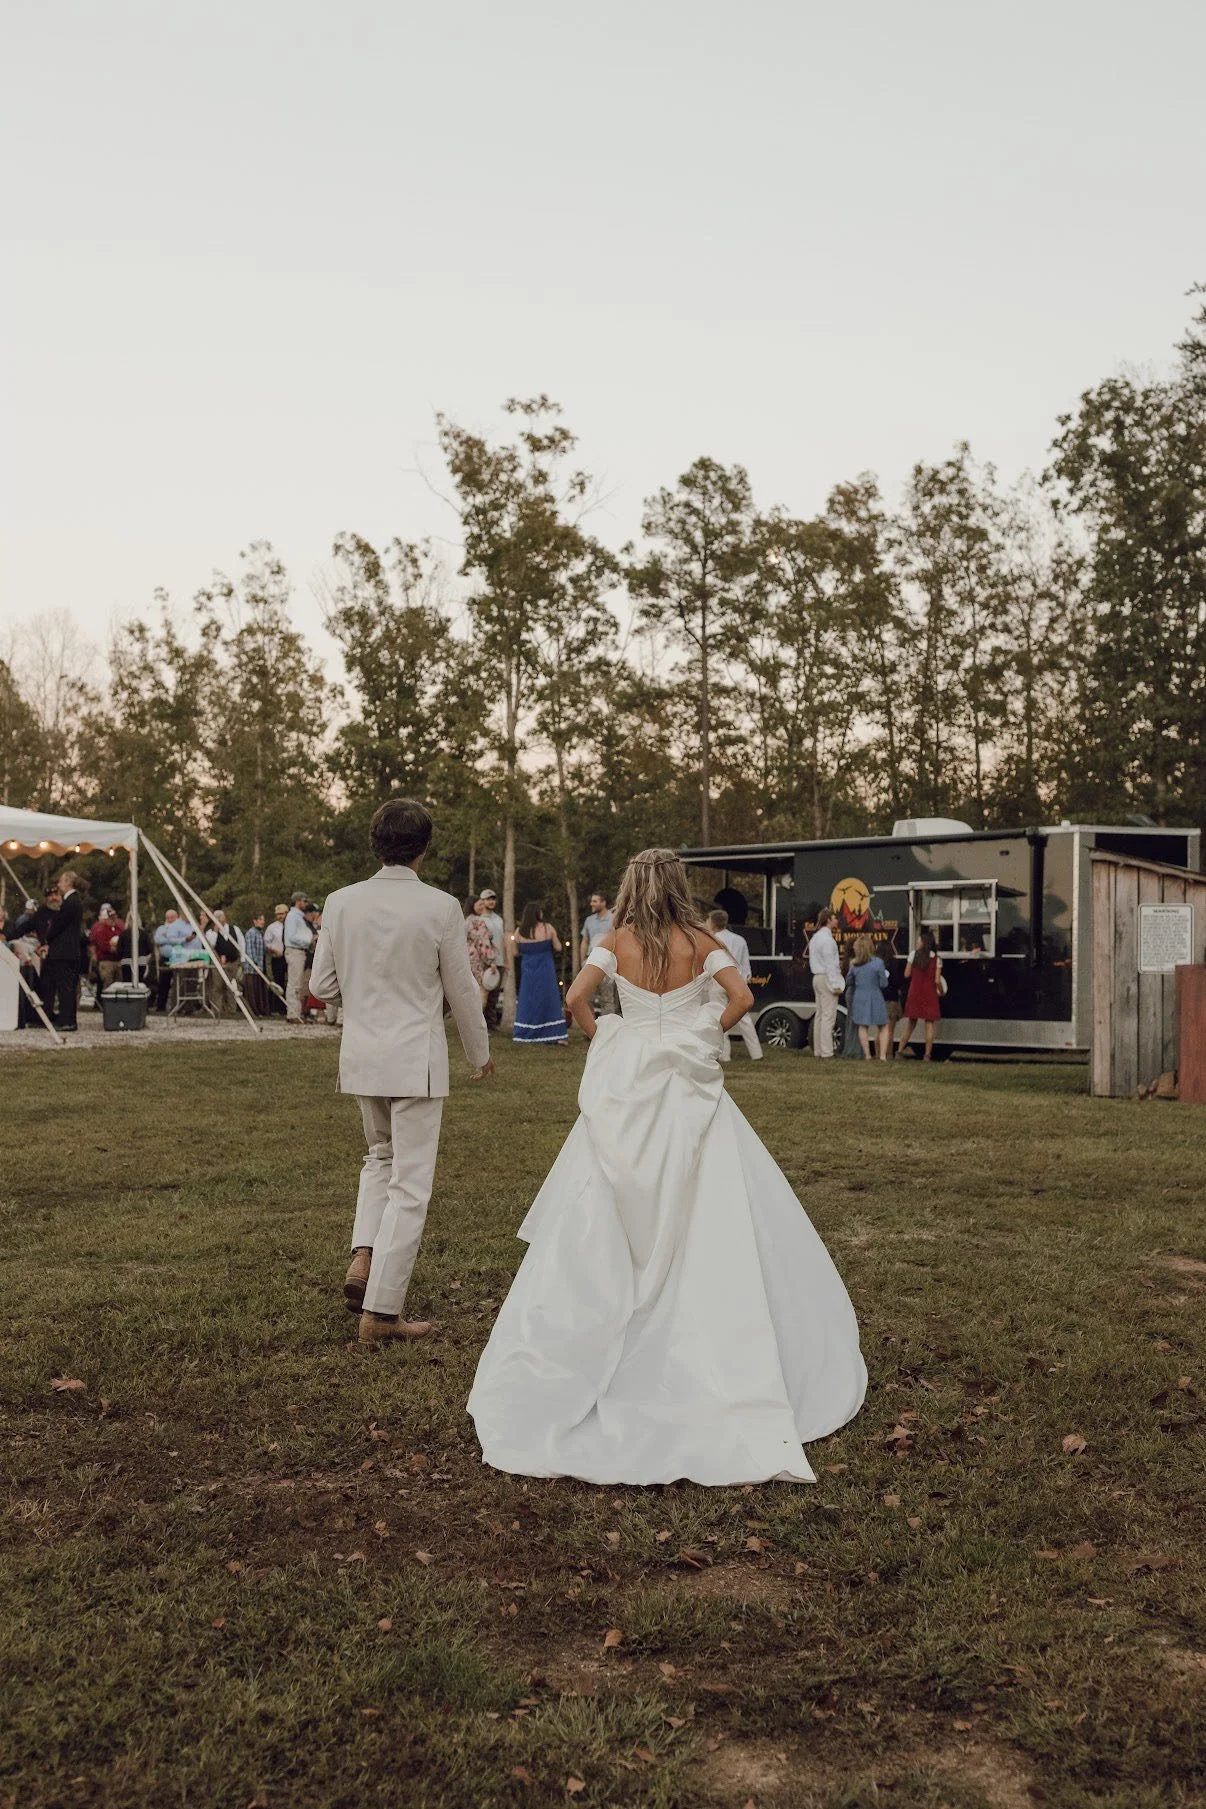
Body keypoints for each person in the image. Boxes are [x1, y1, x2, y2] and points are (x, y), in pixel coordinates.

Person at [468, 847, 866, 1484]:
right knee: (711, 1196)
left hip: (630, 1084)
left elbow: (576, 997)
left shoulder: (617, 938)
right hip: (685, 1082)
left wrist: (611, 1040)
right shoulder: (701, 939)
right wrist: (702, 1032)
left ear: (631, 886)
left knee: (608, 1194)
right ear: (678, 885)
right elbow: (737, 999)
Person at [308, 797, 493, 1345]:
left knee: (380, 1158)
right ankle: (382, 1314)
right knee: (410, 1185)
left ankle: (364, 1255)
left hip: (363, 1056)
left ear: (375, 843)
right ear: (425, 848)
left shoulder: (340, 902)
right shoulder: (440, 906)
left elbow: (321, 987)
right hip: (416, 1058)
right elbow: (462, 988)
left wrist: (363, 995)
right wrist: (479, 1052)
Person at [707, 908, 762, 1061]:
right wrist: (744, 980)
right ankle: (756, 1053)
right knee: (744, 1018)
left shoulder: (711, 939)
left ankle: (724, 1055)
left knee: (720, 1015)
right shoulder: (739, 940)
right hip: (737, 981)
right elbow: (745, 963)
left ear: (712, 922)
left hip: (718, 981)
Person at [511, 903, 566, 1046]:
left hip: (528, 970)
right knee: (548, 998)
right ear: (537, 914)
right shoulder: (548, 928)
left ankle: (525, 1032)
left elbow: (515, 952)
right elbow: (558, 947)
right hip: (545, 968)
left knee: (528, 1000)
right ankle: (555, 1033)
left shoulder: (519, 931)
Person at [42, 871, 85, 1031]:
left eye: (61, 882)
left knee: (65, 987)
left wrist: (48, 936)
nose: (59, 885)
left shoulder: (70, 902)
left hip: (64, 951)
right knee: (67, 987)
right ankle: (67, 1019)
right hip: (69, 951)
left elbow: (59, 925)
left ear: (68, 882)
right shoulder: (74, 901)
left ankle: (67, 1021)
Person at [898, 931, 944, 1060]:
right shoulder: (937, 959)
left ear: (923, 942)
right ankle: (927, 1054)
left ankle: (900, 1050)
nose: (917, 942)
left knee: (911, 1024)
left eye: (919, 940)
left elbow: (907, 974)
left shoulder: (913, 955)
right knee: (929, 1025)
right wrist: (941, 990)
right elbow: (937, 980)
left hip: (915, 992)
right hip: (930, 993)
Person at [807, 907, 844, 1059]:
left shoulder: (815, 938)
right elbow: (830, 964)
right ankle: (827, 1052)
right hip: (826, 977)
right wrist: (835, 983)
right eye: (834, 918)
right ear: (828, 920)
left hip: (816, 976)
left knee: (820, 1015)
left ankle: (818, 1050)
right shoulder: (828, 940)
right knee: (829, 1016)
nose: (836, 920)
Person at [848, 934, 891, 1061]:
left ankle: (867, 1055)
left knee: (862, 1026)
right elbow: (884, 983)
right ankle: (882, 1056)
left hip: (860, 996)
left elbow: (848, 981)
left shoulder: (854, 964)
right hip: (875, 995)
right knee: (883, 1026)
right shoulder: (878, 963)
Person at [580, 890, 619, 1018]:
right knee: (587, 997)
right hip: (590, 962)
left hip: (607, 963)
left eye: (595, 901)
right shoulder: (589, 921)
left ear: (603, 902)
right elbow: (585, 941)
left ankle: (609, 1030)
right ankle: (591, 1031)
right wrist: (583, 960)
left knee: (607, 998)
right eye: (592, 901)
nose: (592, 904)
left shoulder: (613, 918)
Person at [476, 890, 505, 1029]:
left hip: (499, 960)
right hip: (485, 961)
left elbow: (503, 940)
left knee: (495, 993)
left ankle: (491, 1023)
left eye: (493, 899)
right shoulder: (479, 919)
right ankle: (480, 1023)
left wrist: (506, 960)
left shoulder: (499, 919)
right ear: (482, 901)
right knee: (483, 992)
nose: (491, 901)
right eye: (488, 899)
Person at [283, 892, 313, 1022]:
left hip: (300, 952)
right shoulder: (292, 917)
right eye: (304, 901)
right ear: (298, 901)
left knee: (298, 984)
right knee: (294, 984)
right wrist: (309, 940)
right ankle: (292, 1013)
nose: (306, 904)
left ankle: (296, 1012)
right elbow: (291, 937)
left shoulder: (299, 917)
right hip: (295, 950)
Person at [153, 909, 189, 1010]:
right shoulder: (161, 928)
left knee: (179, 982)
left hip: (179, 957)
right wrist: (171, 939)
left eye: (172, 917)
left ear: (176, 917)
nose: (170, 919)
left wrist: (168, 938)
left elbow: (182, 940)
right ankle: (161, 1006)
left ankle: (178, 1006)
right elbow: (157, 940)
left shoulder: (181, 928)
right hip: (165, 958)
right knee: (163, 982)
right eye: (168, 917)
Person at [464, 899, 497, 1014]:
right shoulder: (478, 921)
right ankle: (477, 1025)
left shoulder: (466, 920)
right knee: (480, 992)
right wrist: (491, 961)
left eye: (483, 904)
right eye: (479, 904)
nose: (482, 906)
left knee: (469, 992)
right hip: (477, 960)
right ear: (472, 906)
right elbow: (483, 942)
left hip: (466, 959)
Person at [89, 903, 125, 994]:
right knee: (108, 983)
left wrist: (118, 948)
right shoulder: (101, 930)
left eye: (114, 917)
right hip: (106, 960)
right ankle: (107, 1006)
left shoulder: (119, 929)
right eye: (111, 917)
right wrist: (115, 948)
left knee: (119, 984)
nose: (113, 919)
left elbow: (123, 941)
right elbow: (104, 947)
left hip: (118, 960)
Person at [877, 939, 902, 1056]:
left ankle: (878, 1053)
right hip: (891, 999)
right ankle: (888, 1054)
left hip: (879, 999)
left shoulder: (876, 964)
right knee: (890, 1031)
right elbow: (897, 981)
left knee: (880, 1031)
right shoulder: (894, 963)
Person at [242, 913, 270, 1016]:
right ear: (255, 921)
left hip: (260, 966)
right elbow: (250, 950)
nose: (262, 922)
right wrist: (255, 963)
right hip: (252, 968)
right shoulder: (251, 933)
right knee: (252, 991)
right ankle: (253, 1011)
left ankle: (261, 1010)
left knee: (260, 990)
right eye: (260, 919)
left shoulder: (260, 933)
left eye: (263, 919)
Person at [263, 905, 288, 1014]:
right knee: (278, 982)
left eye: (282, 914)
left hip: (289, 956)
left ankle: (288, 1006)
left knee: (290, 982)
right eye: (278, 914)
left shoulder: (290, 926)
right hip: (277, 958)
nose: (280, 916)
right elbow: (266, 943)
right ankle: (277, 1008)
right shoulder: (272, 927)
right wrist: (273, 950)